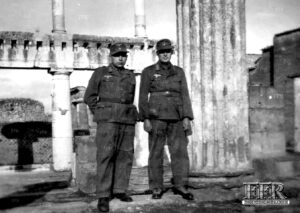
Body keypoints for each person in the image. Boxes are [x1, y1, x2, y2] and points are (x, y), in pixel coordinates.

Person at [84, 43, 138, 212]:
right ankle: (103, 195)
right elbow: (89, 96)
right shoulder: (100, 73)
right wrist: (101, 112)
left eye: (123, 55)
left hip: (127, 120)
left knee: (125, 155)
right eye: (117, 55)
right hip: (107, 120)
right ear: (111, 57)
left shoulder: (130, 75)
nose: (121, 58)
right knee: (105, 155)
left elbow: (129, 98)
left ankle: (120, 190)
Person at [138, 38, 194, 201]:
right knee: (156, 153)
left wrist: (186, 117)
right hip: (156, 118)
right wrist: (145, 118)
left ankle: (181, 185)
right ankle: (156, 187)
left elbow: (185, 95)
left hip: (176, 117)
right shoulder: (148, 71)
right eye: (162, 52)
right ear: (157, 53)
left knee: (180, 153)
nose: (165, 54)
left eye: (168, 51)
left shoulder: (179, 71)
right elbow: (142, 96)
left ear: (172, 53)